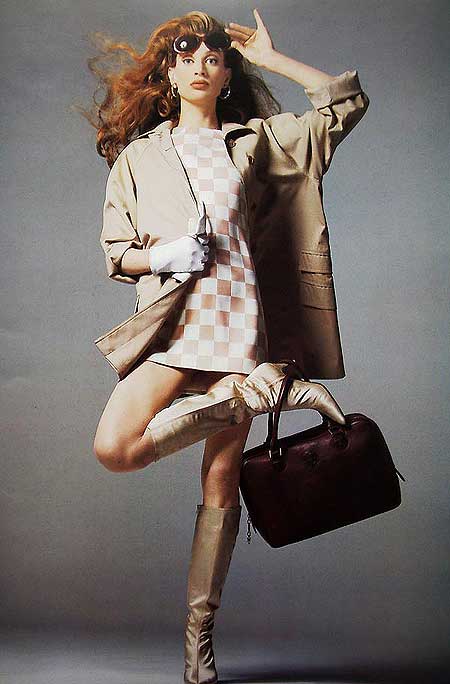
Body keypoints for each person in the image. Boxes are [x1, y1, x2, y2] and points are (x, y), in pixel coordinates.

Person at [83, 8, 369, 683]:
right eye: (187, 56)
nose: (201, 66)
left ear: (226, 73)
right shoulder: (139, 157)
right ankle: (260, 394)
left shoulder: (257, 143)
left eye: (214, 57)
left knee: (219, 483)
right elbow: (117, 253)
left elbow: (343, 104)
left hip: (240, 325)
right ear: (169, 71)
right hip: (173, 328)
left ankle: (199, 641)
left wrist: (272, 58)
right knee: (115, 448)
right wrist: (166, 256)